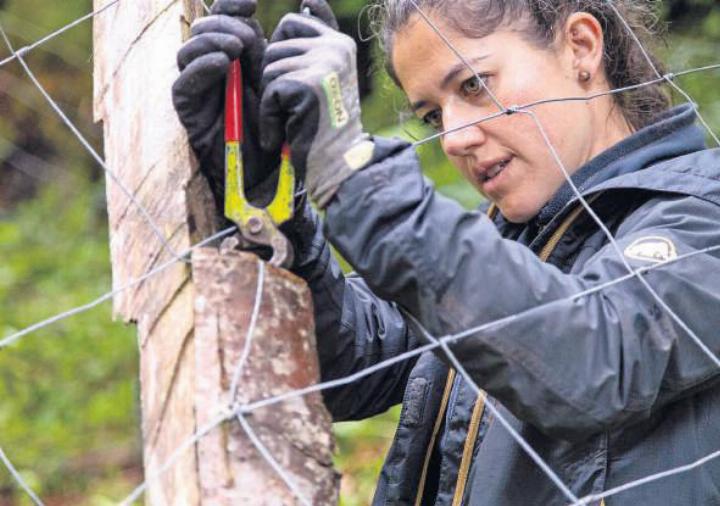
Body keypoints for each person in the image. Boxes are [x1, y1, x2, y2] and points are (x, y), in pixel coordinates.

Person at [172, 0, 720, 504]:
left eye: (475, 85)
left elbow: (596, 357)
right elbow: (349, 357)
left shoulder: (704, 211)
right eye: (433, 115)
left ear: (580, 46)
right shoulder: (501, 244)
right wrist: (265, 196)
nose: (454, 137)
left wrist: (351, 165)